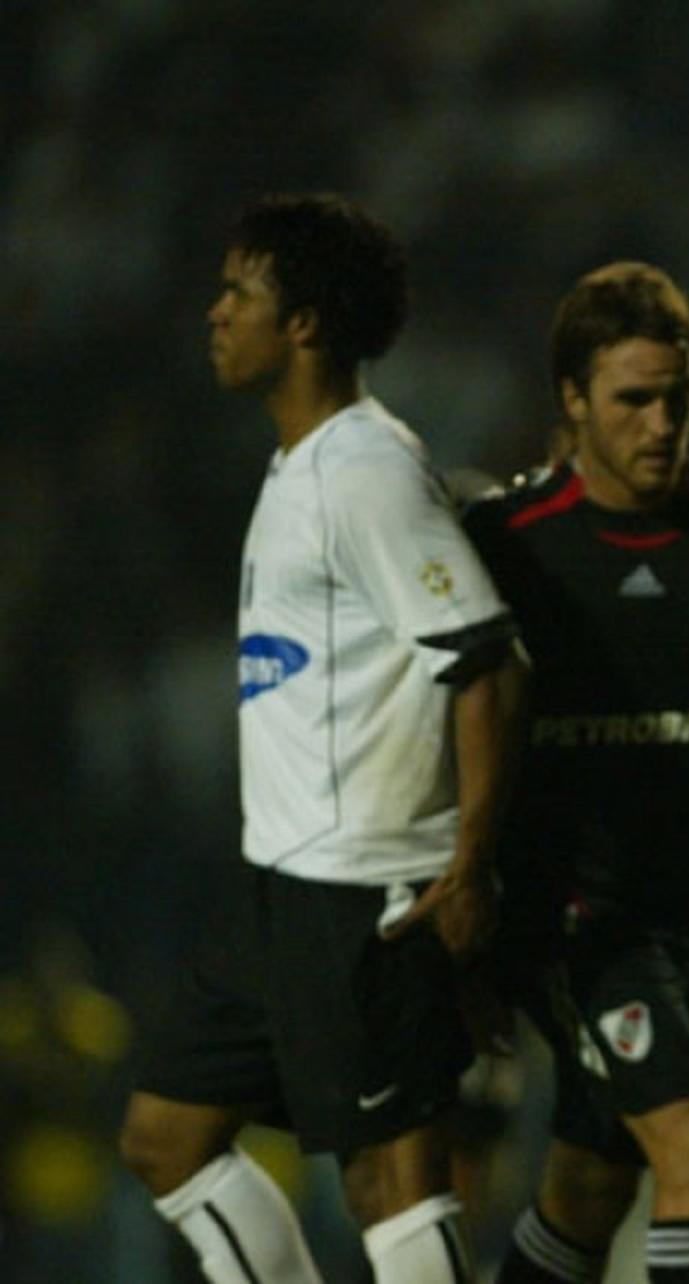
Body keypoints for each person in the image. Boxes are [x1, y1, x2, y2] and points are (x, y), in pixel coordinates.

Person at [117, 193, 526, 1284]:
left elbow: (486, 662)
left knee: (393, 1185)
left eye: (238, 293)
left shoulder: (368, 474)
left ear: (302, 324)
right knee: (165, 1136)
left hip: (369, 896)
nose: (215, 314)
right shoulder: (301, 464)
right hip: (282, 886)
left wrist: (469, 867)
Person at [465, 261, 689, 1284]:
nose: (662, 424)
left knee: (586, 1193)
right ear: (571, 401)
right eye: (634, 400)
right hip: (569, 923)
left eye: (678, 398)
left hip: (683, 921)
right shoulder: (507, 544)